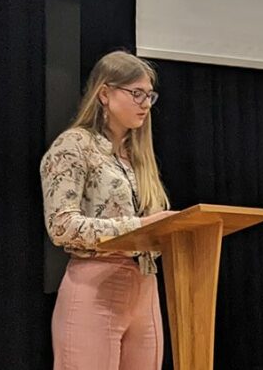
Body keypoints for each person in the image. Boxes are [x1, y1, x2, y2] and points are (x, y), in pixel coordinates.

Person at [41, 51, 177, 369]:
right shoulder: (74, 145)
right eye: (136, 93)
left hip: (145, 288)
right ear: (105, 93)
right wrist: (137, 227)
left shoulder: (138, 158)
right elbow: (61, 225)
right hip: (95, 287)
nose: (145, 103)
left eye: (149, 95)